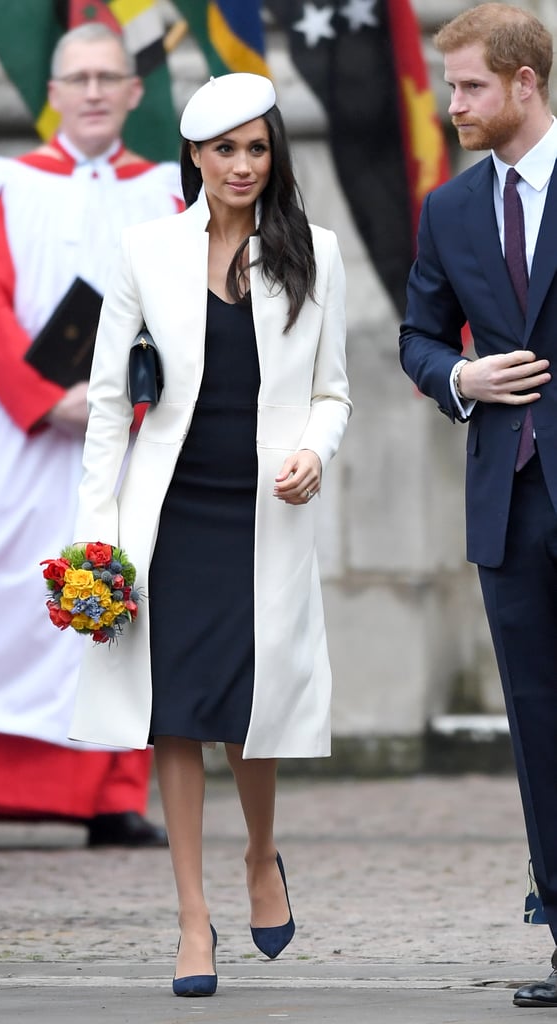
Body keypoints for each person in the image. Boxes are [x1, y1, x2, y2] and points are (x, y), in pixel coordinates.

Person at [68, 72, 351, 995]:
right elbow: (110, 406)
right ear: (194, 156)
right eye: (224, 149)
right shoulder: (144, 249)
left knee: (252, 717)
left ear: (274, 156)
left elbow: (332, 391)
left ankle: (260, 856)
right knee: (175, 715)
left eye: (257, 148)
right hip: (170, 517)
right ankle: (193, 922)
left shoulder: (317, 251)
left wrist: (315, 449)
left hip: (265, 511)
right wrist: (93, 538)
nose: (242, 165)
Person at [0, 23, 185, 849]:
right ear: (53, 93)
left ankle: (106, 797)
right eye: (77, 78)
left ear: (134, 92)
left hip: (119, 447)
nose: (94, 91)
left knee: (115, 604)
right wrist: (48, 400)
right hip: (16, 438)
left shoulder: (166, 195)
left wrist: (123, 406)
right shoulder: (6, 183)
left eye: (109, 77)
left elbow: (182, 320)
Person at [398, 3, 557, 1008]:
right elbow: (415, 335)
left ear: (524, 83)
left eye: (467, 87)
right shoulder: (448, 211)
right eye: (450, 85)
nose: (451, 103)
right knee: (539, 728)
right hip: (508, 507)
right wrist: (462, 378)